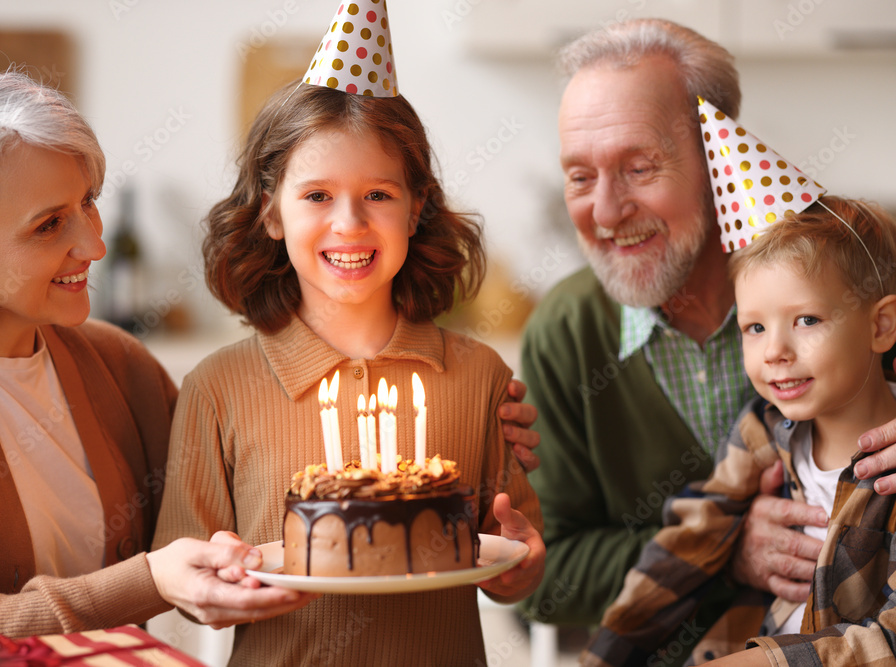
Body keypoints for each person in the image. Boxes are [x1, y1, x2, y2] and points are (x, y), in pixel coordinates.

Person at [0, 69, 320, 652]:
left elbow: (237, 526)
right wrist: (149, 582)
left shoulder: (118, 363)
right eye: (49, 224)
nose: (94, 245)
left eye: (88, 202)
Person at [151, 73, 546, 666]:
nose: (349, 224)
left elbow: (509, 561)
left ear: (416, 210)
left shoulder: (480, 376)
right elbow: (185, 581)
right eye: (316, 196)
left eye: (379, 195)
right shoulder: (217, 387)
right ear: (271, 213)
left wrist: (521, 567)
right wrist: (221, 575)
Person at [518, 18, 896, 630]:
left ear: (714, 162)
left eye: (639, 168)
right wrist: (721, 552)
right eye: (581, 177)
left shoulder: (859, 272)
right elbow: (542, 572)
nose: (606, 211)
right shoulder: (564, 333)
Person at [582, 195, 896, 666]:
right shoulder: (761, 431)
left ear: (881, 325)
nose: (774, 351)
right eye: (754, 327)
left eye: (806, 320)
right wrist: (603, 658)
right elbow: (685, 549)